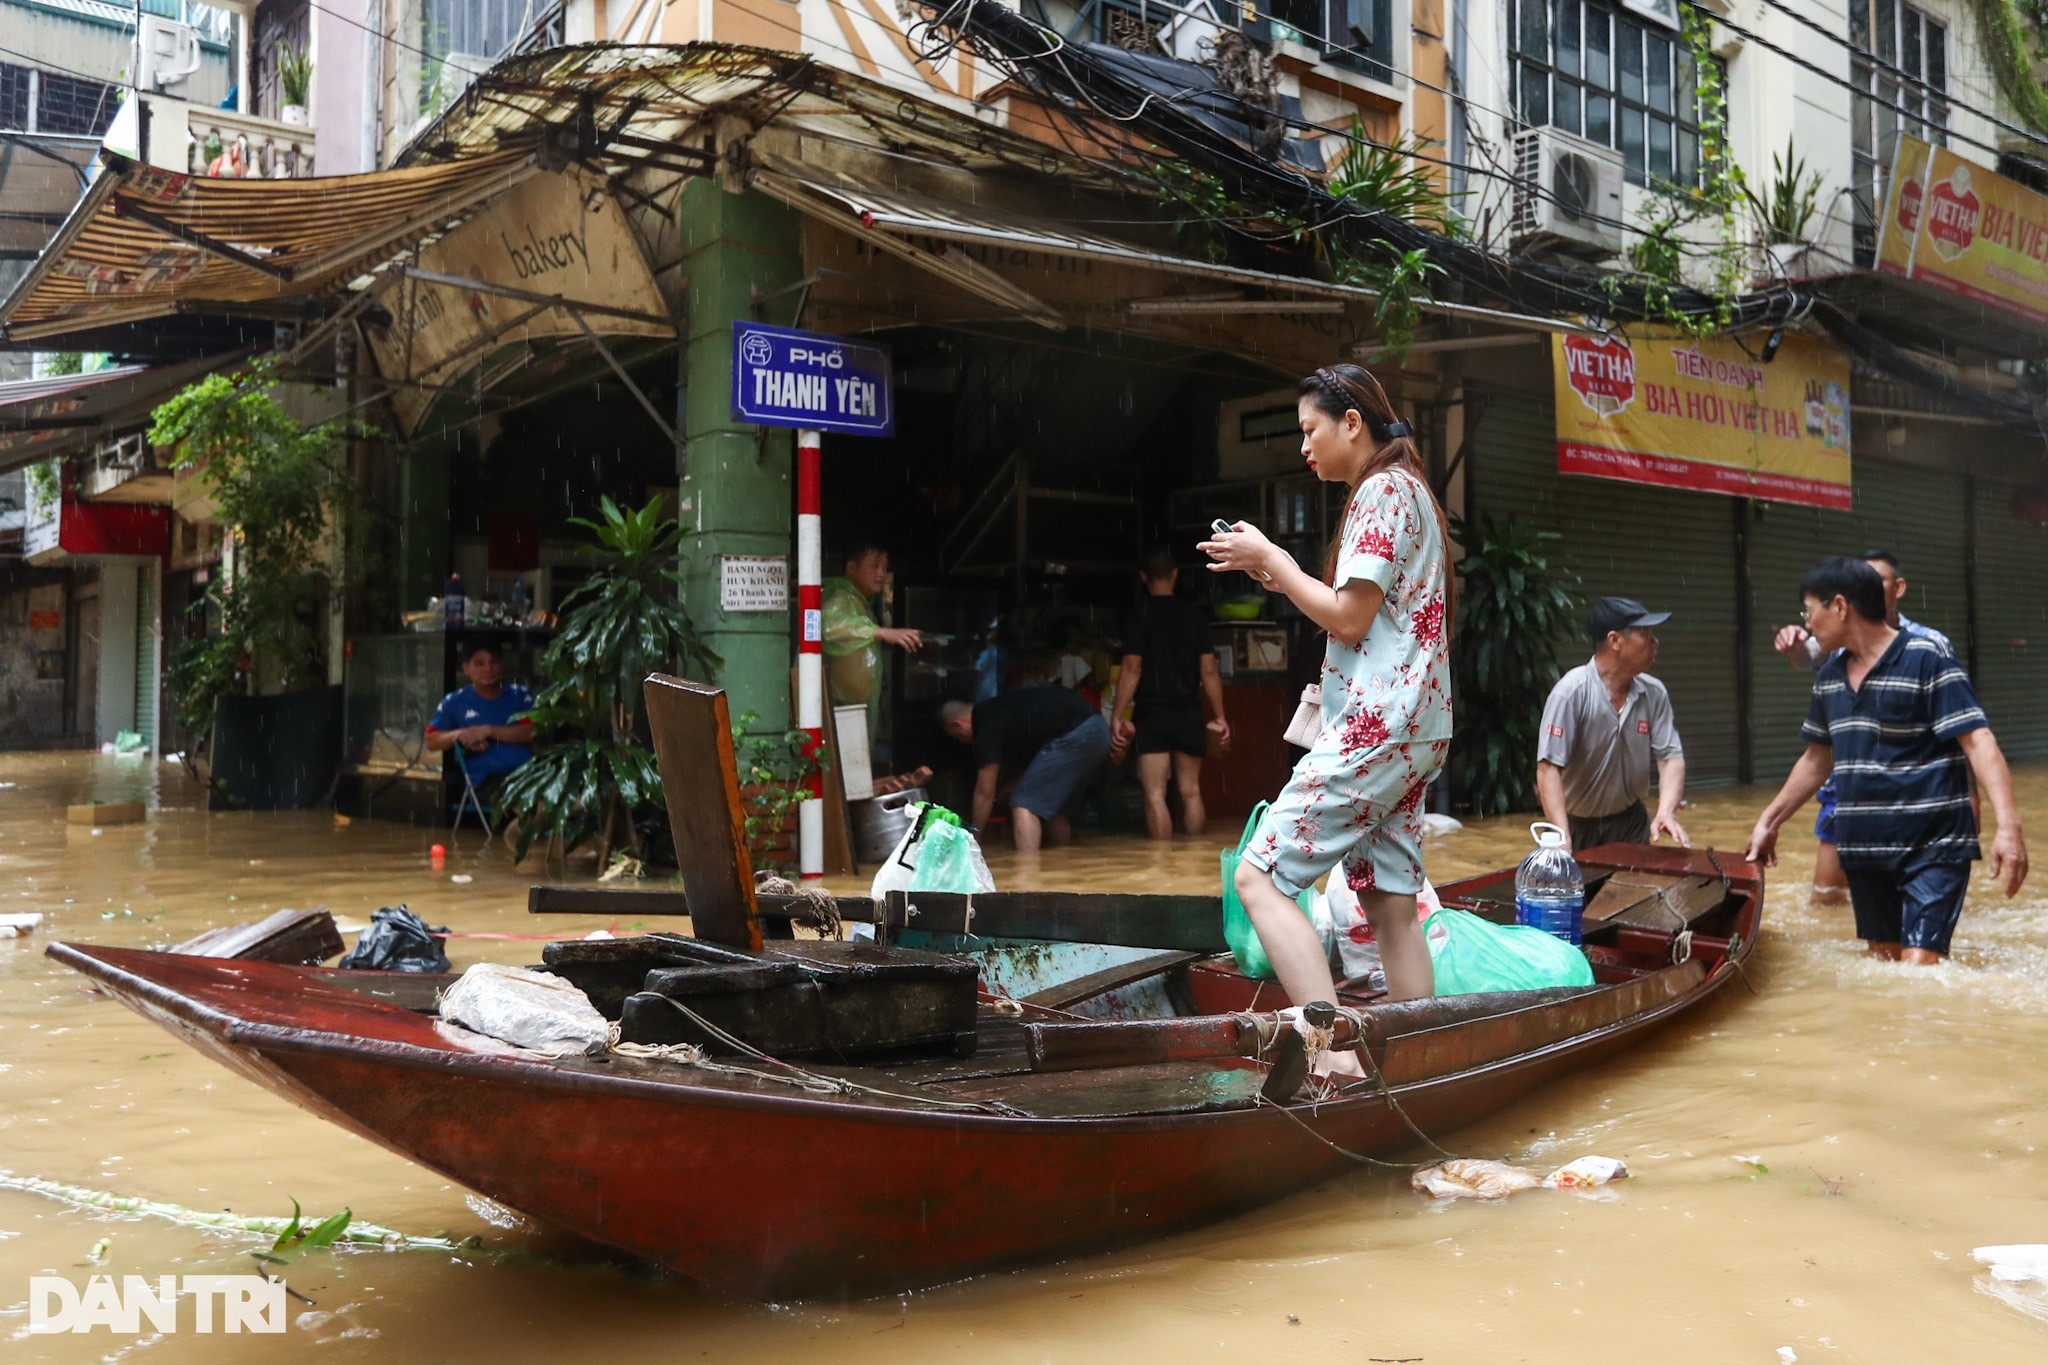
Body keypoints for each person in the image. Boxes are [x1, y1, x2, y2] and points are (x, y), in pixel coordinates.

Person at [1200, 363, 1454, 1074]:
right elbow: (1360, 614)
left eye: (1311, 430)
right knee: (1393, 904)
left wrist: (1272, 556)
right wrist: (1274, 569)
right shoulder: (1407, 491)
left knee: (1259, 876)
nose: (1304, 447)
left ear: (1352, 423)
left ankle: (1330, 1054)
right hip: (1416, 726)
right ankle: (1416, 1064)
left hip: (1379, 724)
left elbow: (1348, 617)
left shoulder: (1379, 490)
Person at [1744, 557, 2027, 964]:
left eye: (1809, 612)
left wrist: (2008, 827)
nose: (1807, 624)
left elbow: (1978, 742)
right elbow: (1816, 761)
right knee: (1885, 971)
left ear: (1840, 607)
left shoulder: (1927, 656)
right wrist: (1768, 822)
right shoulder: (1828, 678)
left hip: (1933, 844)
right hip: (1865, 849)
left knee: (1918, 970)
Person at [1771, 548, 1954, 903]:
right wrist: (1793, 645)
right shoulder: (1836, 646)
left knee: (1909, 909)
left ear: (1898, 587)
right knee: (1827, 899)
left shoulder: (1930, 647)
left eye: (1876, 579)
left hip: (1910, 792)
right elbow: (1805, 660)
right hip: (1848, 784)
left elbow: (1962, 736)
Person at [1534, 596, 1690, 854]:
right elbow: (1547, 768)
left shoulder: (1654, 693)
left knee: (1633, 893)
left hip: (1631, 823)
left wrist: (1665, 813)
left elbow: (1670, 757)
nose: (1655, 642)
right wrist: (1562, 837)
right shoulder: (1571, 693)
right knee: (1579, 895)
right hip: (1576, 826)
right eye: (1646, 634)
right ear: (1615, 640)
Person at [1108, 547, 1232, 839]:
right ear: (1175, 574)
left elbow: (1131, 667)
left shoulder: (1139, 616)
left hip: (1153, 713)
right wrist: (1220, 716)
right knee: (1190, 791)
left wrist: (1117, 715)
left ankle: (1162, 868)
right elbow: (1209, 671)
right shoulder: (1194, 617)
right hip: (1188, 711)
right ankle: (1192, 863)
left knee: (1154, 794)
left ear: (1143, 577)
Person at [940, 687, 1112, 852]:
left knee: (1024, 804)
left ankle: (1027, 873)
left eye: (958, 737)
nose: (963, 742)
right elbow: (1041, 765)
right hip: (1098, 730)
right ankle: (1061, 866)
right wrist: (1015, 784)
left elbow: (985, 792)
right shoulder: (1000, 709)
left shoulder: (985, 725)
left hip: (1077, 734)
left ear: (958, 725)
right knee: (1054, 808)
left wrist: (974, 838)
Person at [822, 535, 923, 754]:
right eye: (874, 566)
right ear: (852, 568)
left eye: (885, 567)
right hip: (838, 708)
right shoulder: (841, 597)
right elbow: (830, 627)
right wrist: (880, 632)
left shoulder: (860, 602)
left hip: (852, 709)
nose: (881, 573)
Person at [425, 642, 536, 837]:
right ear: (466, 668)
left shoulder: (519, 695)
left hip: (529, 773)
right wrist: (461, 734)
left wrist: (488, 730)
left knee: (547, 793)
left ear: (501, 664)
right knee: (527, 800)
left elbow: (532, 732)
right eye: (480, 663)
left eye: (493, 662)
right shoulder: (454, 702)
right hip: (488, 780)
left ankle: (527, 834)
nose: (488, 669)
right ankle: (522, 835)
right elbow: (431, 741)